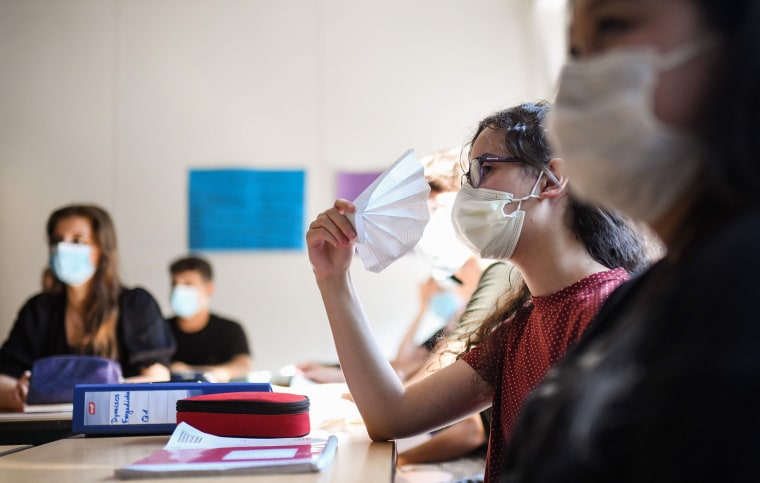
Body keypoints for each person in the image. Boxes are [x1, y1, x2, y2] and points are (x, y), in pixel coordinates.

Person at [306, 101, 650, 482]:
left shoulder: (611, 313)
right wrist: (334, 281)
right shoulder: (520, 327)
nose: (469, 194)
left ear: (551, 180)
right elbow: (391, 415)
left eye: (484, 169)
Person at [499, 2, 760, 482]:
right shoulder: (648, 294)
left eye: (614, 25)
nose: (576, 83)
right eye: (575, 50)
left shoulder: (742, 281)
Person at [0, 204, 175, 411]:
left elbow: (156, 378)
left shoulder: (135, 304)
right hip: (46, 432)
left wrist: (70, 395)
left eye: (77, 241)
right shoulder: (38, 309)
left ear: (102, 250)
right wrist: (19, 393)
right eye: (57, 241)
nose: (63, 249)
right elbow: (4, 377)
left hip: (113, 427)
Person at [167, 255, 252, 382]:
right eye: (175, 284)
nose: (179, 291)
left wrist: (196, 372)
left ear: (209, 288)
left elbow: (243, 365)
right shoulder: (159, 329)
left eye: (188, 284)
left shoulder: (230, 329)